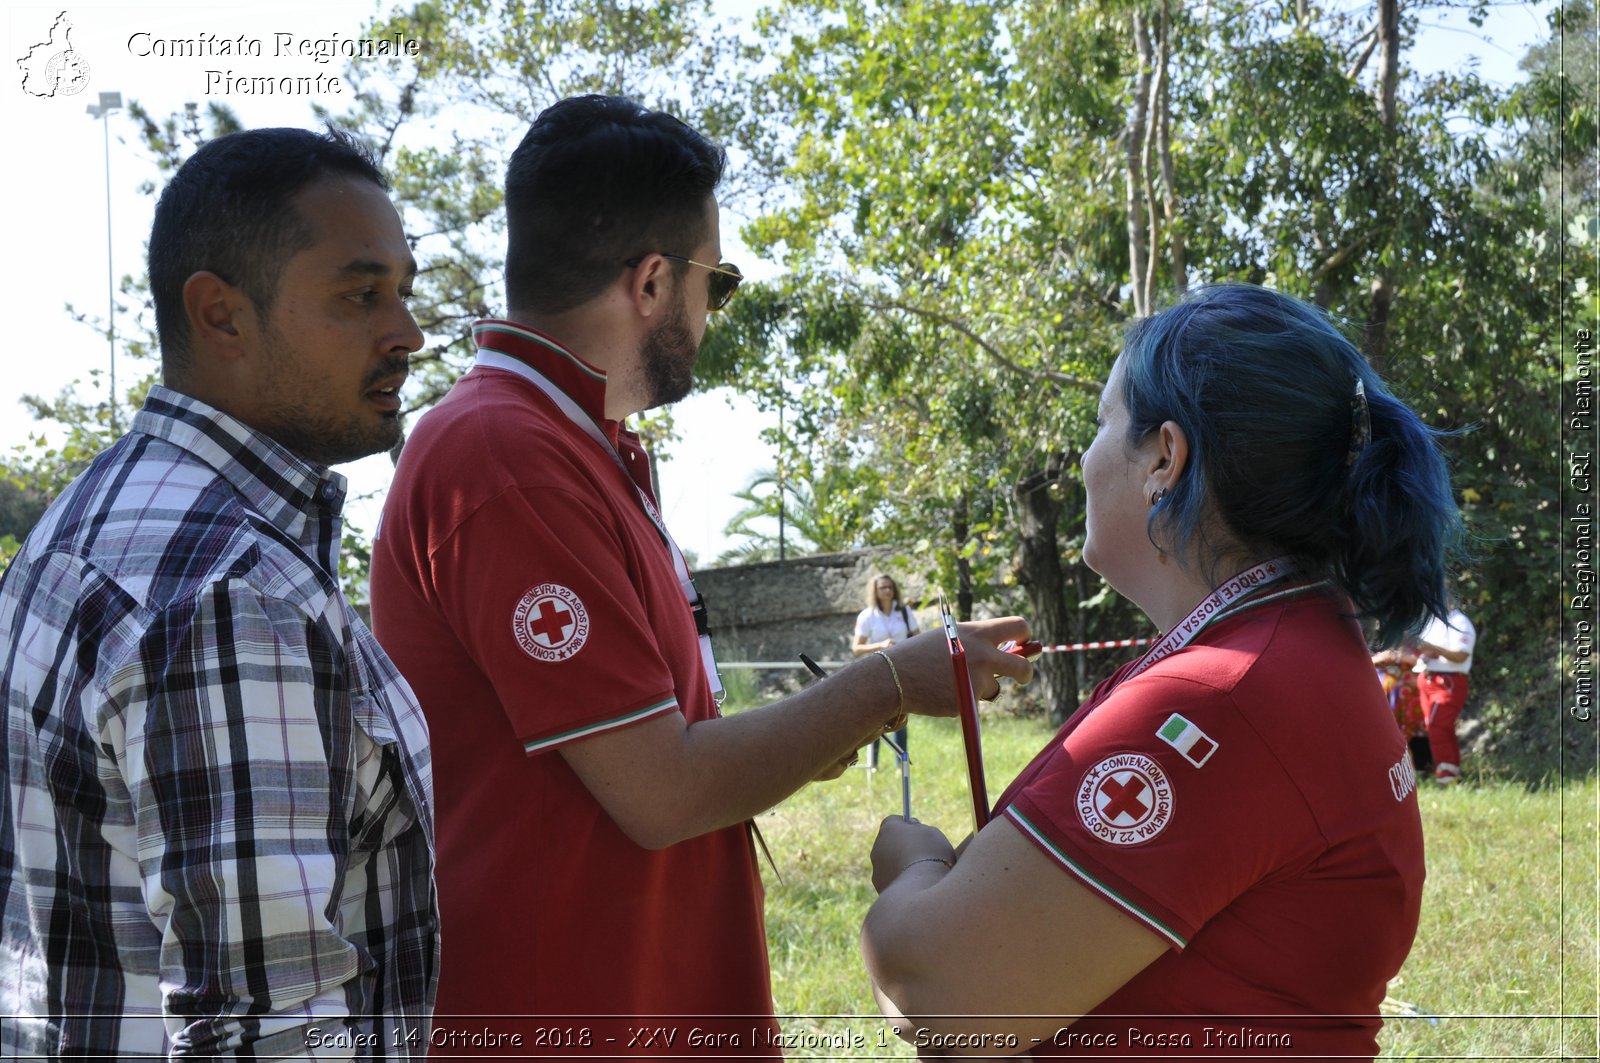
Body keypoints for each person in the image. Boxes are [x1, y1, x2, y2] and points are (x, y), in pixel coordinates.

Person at [366, 94, 1031, 1050]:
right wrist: (891, 681)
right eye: (714, 284)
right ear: (649, 283)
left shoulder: (580, 445)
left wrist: (817, 724)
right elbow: (661, 789)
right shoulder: (504, 458)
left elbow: (653, 744)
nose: (712, 312)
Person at [861, 284, 1463, 1058]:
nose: (1083, 459)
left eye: (1102, 424)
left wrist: (915, 866)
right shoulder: (1291, 641)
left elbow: (940, 996)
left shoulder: (1223, 694)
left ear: (1164, 458)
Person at [0, 128, 436, 1056]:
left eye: (404, 290)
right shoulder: (231, 596)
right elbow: (267, 1029)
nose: (408, 332)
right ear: (222, 316)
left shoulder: (98, 512)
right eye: (362, 295)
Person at [853, 573, 920, 766]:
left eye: (890, 587)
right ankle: (873, 763)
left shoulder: (905, 612)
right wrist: (880, 645)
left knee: (901, 716)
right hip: (877, 672)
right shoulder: (867, 616)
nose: (888, 591)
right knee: (876, 719)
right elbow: (857, 649)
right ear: (875, 591)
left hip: (902, 670)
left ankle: (902, 762)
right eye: (883, 587)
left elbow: (918, 638)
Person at [1413, 602, 1476, 784]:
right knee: (1438, 727)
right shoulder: (1432, 621)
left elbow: (1461, 655)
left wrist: (1434, 649)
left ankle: (1447, 774)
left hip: (1448, 681)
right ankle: (1450, 771)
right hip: (1428, 678)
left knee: (1437, 725)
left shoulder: (1460, 622)